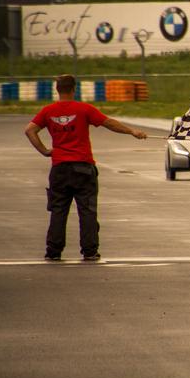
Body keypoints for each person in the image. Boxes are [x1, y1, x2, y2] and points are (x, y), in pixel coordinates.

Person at [24, 74, 147, 261]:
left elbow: (30, 130)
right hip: (83, 167)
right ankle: (89, 251)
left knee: (58, 210)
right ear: (74, 89)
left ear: (57, 90)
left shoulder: (48, 111)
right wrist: (132, 131)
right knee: (87, 211)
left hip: (59, 168)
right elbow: (109, 123)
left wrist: (44, 151)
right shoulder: (83, 109)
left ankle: (53, 250)